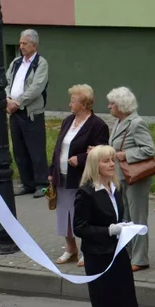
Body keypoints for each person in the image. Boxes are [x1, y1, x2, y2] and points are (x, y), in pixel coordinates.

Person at [73, 145, 140, 307]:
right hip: (98, 257)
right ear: (95, 165)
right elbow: (80, 228)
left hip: (118, 253)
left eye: (113, 160)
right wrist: (110, 230)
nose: (111, 164)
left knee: (124, 306)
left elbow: (117, 218)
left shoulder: (115, 188)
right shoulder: (86, 192)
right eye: (106, 161)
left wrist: (126, 228)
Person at [50, 85, 109, 266]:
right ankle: (70, 248)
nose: (69, 104)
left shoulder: (97, 125)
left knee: (82, 214)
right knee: (64, 214)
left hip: (82, 177)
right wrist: (51, 171)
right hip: (62, 176)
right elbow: (58, 148)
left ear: (83, 104)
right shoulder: (68, 121)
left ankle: (86, 249)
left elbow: (102, 151)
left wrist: (82, 158)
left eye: (73, 101)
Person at [107, 86, 155, 272]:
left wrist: (125, 154)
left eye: (112, 103)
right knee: (125, 217)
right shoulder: (120, 122)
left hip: (136, 178)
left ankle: (141, 258)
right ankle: (127, 253)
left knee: (138, 218)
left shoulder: (136, 123)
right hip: (121, 177)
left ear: (121, 105)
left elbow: (148, 149)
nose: (109, 106)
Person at [5, 29, 50, 198]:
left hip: (31, 112)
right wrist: (8, 99)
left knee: (35, 149)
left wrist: (19, 103)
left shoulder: (41, 63)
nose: (21, 46)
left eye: (24, 43)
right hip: (14, 112)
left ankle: (42, 183)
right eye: (20, 43)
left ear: (34, 45)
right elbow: (6, 81)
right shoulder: (16, 62)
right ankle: (27, 183)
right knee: (19, 148)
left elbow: (37, 88)